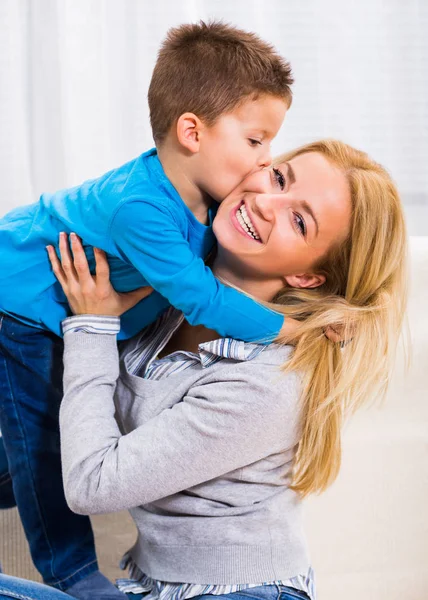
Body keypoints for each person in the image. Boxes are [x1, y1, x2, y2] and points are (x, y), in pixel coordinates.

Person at [0, 139, 406, 600]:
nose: (266, 204)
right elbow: (58, 431)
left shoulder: (269, 381)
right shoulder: (171, 291)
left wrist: (91, 324)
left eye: (299, 221)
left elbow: (92, 484)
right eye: (278, 177)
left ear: (309, 278)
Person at [0, 21, 306, 598]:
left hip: (61, 312)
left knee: (32, 437)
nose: (263, 163)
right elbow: (202, 297)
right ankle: (72, 574)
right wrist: (293, 326)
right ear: (192, 130)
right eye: (256, 141)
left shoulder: (207, 199)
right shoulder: (142, 207)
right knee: (41, 444)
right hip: (20, 305)